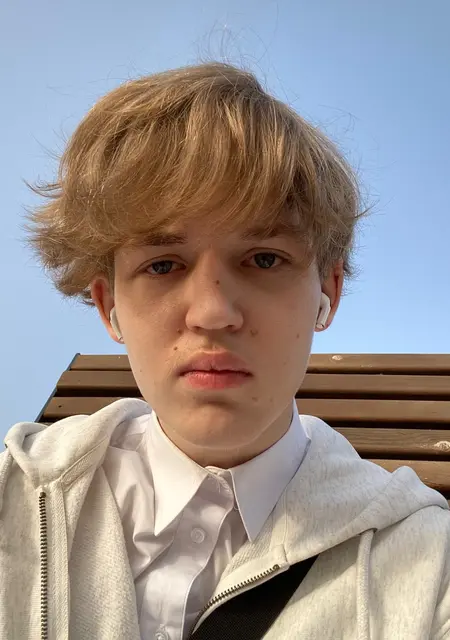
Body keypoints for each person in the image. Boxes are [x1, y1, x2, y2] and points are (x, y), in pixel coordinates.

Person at [1, 62, 449, 640]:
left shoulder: (429, 563)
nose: (212, 312)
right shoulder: (15, 496)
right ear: (109, 305)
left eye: (264, 258)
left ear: (328, 293)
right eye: (163, 265)